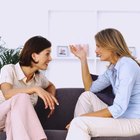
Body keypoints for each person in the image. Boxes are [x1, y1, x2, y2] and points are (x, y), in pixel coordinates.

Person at [66, 28, 140, 140]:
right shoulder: (112, 69)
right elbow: (90, 89)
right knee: (86, 96)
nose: (96, 51)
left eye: (99, 46)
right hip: (122, 116)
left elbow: (118, 109)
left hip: (133, 121)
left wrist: (82, 118)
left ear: (111, 45)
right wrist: (83, 59)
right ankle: (78, 131)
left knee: (79, 123)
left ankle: (78, 128)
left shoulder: (127, 66)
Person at [0, 36, 59, 140]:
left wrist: (50, 99)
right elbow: (7, 93)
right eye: (47, 53)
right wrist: (35, 89)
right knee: (22, 97)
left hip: (14, 121)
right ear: (34, 56)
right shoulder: (9, 69)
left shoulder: (39, 78)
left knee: (16, 116)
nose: (50, 58)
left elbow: (51, 85)